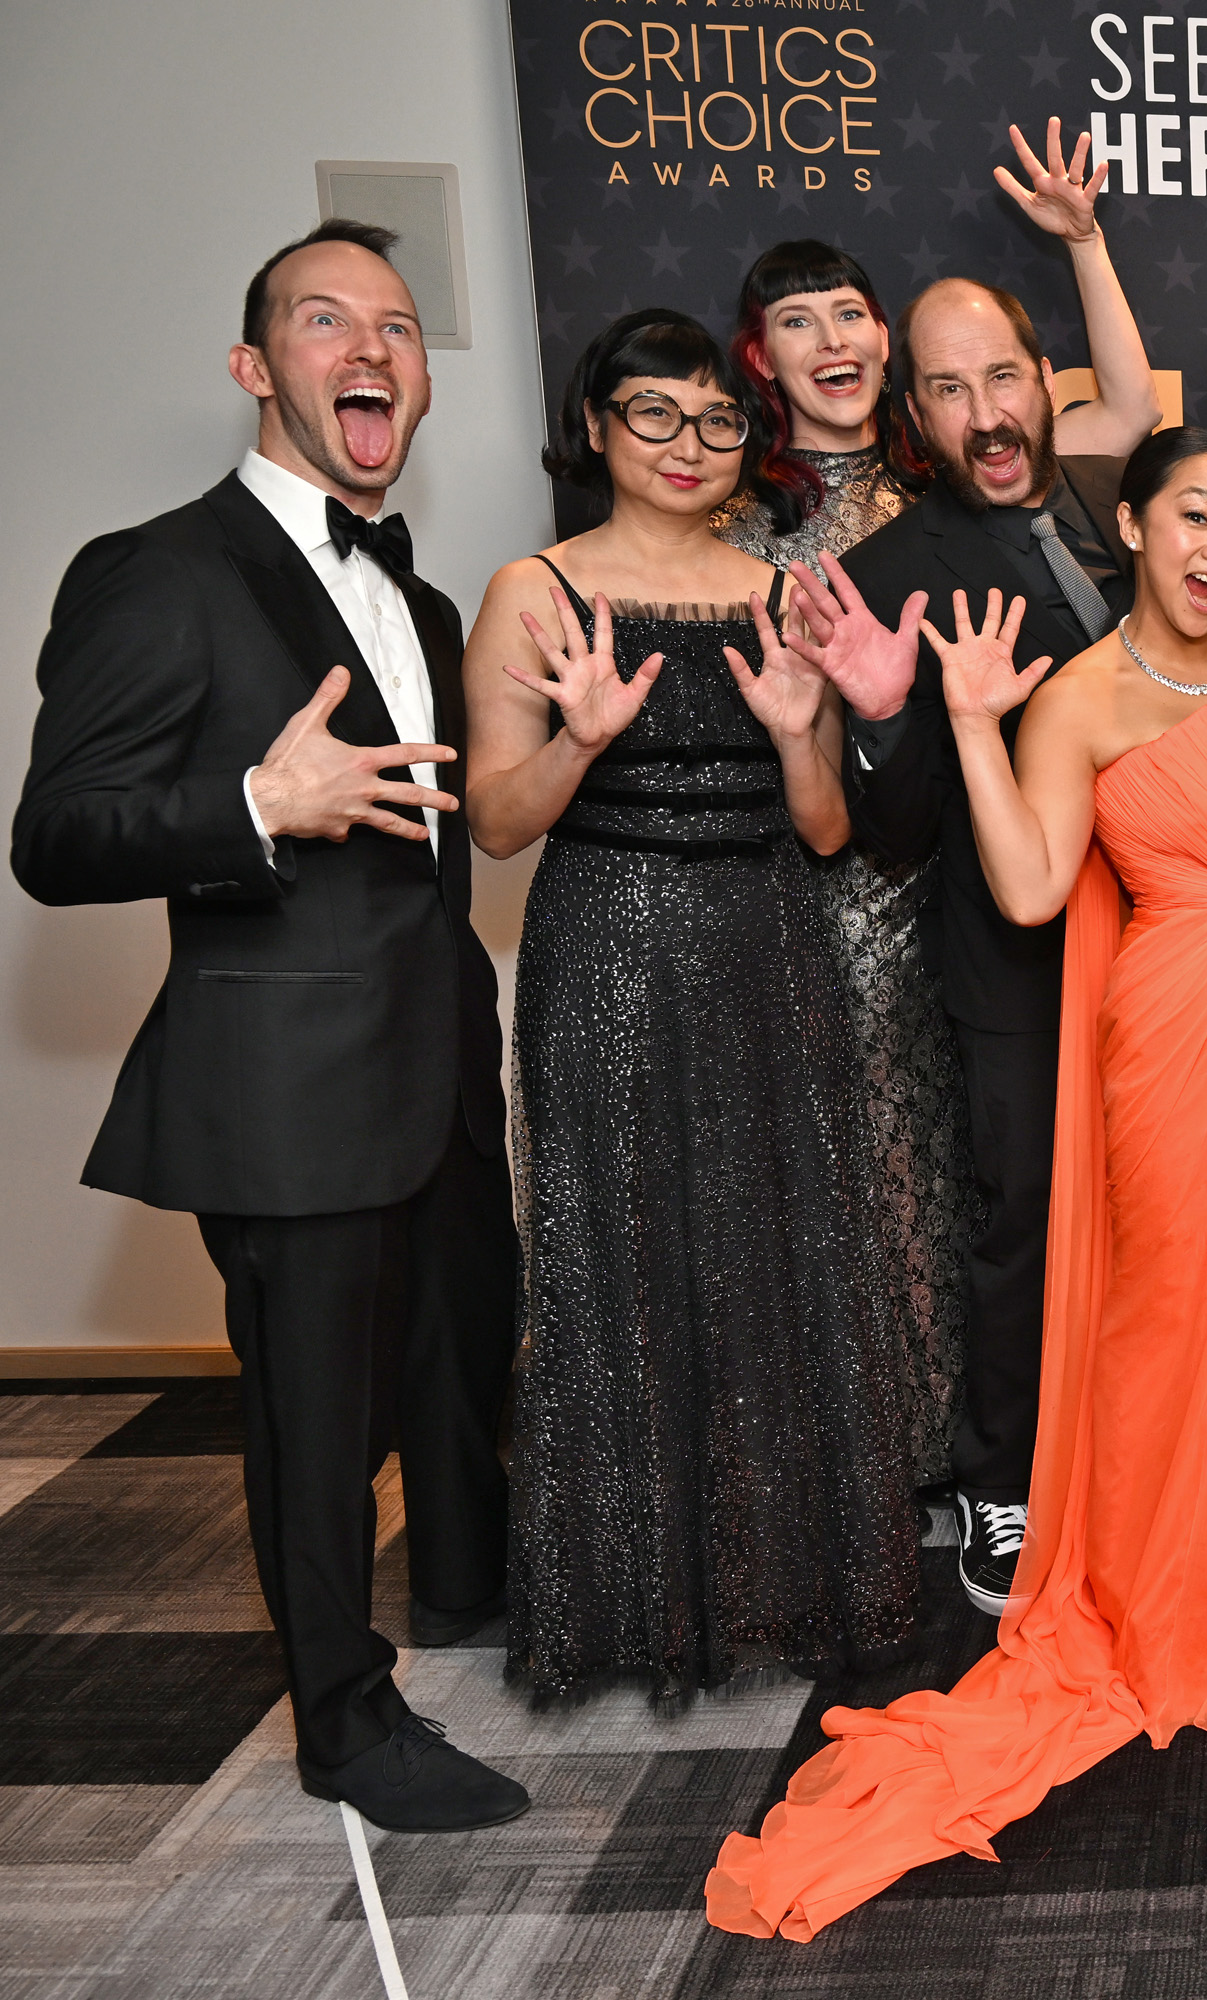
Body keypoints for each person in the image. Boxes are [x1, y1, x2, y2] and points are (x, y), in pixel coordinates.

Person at [705, 427, 1207, 1940]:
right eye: (1191, 517)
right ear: (1135, 526)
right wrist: (972, 724)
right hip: (1173, 1044)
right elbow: (1036, 887)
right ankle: (1189, 1603)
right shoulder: (1076, 697)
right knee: (1178, 1327)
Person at [12, 219, 521, 1830]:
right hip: (284, 1082)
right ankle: (345, 1726)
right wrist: (253, 801)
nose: (370, 348)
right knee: (312, 1422)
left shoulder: (425, 606)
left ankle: (469, 1597)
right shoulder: (157, 570)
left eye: (396, 327)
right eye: (324, 321)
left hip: (437, 1057)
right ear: (257, 368)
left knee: (454, 1358)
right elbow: (55, 837)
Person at [468, 309, 919, 1700]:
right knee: (625, 1259)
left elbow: (832, 831)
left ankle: (774, 1588)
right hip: (605, 942)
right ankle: (632, 1606)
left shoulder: (791, 590)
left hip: (768, 939)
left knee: (775, 1251)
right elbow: (493, 823)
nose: (689, 445)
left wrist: (798, 736)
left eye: (719, 420)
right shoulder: (533, 592)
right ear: (595, 424)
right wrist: (582, 746)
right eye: (654, 415)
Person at [787, 122, 1163, 1617]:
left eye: (1000, 374)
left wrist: (1084, 237)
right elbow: (885, 835)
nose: (980, 406)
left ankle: (1135, 1456)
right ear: (918, 415)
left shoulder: (1115, 506)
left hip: (1167, 931)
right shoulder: (884, 574)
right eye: (945, 386)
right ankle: (1001, 1484)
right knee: (1021, 1221)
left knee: (1157, 1211)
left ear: (1040, 382)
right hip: (1013, 955)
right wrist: (882, 721)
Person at [712, 237, 970, 1491]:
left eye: (853, 315)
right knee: (842, 1158)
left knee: (953, 1157)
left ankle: (959, 1446)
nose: (835, 344)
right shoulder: (729, 521)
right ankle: (854, 1448)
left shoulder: (952, 496)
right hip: (814, 886)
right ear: (761, 359)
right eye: (800, 324)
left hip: (962, 873)